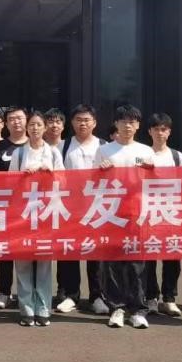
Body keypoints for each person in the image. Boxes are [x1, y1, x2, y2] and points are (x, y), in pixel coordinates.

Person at [94, 104, 155, 329]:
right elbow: (92, 182)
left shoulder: (146, 151)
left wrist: (152, 170)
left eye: (132, 121)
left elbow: (157, 183)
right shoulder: (104, 150)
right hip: (112, 214)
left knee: (137, 264)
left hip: (138, 214)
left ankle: (138, 309)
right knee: (112, 263)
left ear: (138, 125)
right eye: (123, 121)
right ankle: (117, 308)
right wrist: (101, 170)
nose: (128, 125)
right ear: (116, 124)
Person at [11, 111, 64, 327]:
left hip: (46, 213)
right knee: (23, 263)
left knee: (44, 263)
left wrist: (50, 173)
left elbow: (65, 181)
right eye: (31, 124)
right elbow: (9, 183)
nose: (35, 128)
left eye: (39, 125)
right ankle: (26, 309)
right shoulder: (19, 154)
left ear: (45, 128)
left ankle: (43, 309)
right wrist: (24, 177)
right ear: (27, 128)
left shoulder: (53, 152)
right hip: (23, 214)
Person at [58, 103, 105, 314]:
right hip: (70, 208)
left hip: (97, 208)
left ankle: (98, 296)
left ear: (94, 123)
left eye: (87, 120)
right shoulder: (63, 146)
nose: (82, 124)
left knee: (96, 253)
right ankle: (71, 295)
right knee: (70, 251)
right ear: (72, 122)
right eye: (78, 120)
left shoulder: (104, 146)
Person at [0, 106, 28, 310]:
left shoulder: (34, 145)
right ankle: (3, 291)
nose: (16, 122)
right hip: (4, 207)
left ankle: (26, 293)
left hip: (29, 207)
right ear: (6, 123)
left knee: (27, 251)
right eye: (12, 119)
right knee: (4, 251)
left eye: (20, 118)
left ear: (26, 120)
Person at [142, 112, 182, 318]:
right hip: (148, 212)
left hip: (172, 212)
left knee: (172, 256)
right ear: (149, 131)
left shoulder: (177, 156)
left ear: (169, 132)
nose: (160, 133)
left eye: (164, 129)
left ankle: (169, 298)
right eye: (156, 129)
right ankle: (151, 297)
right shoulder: (142, 154)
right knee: (149, 257)